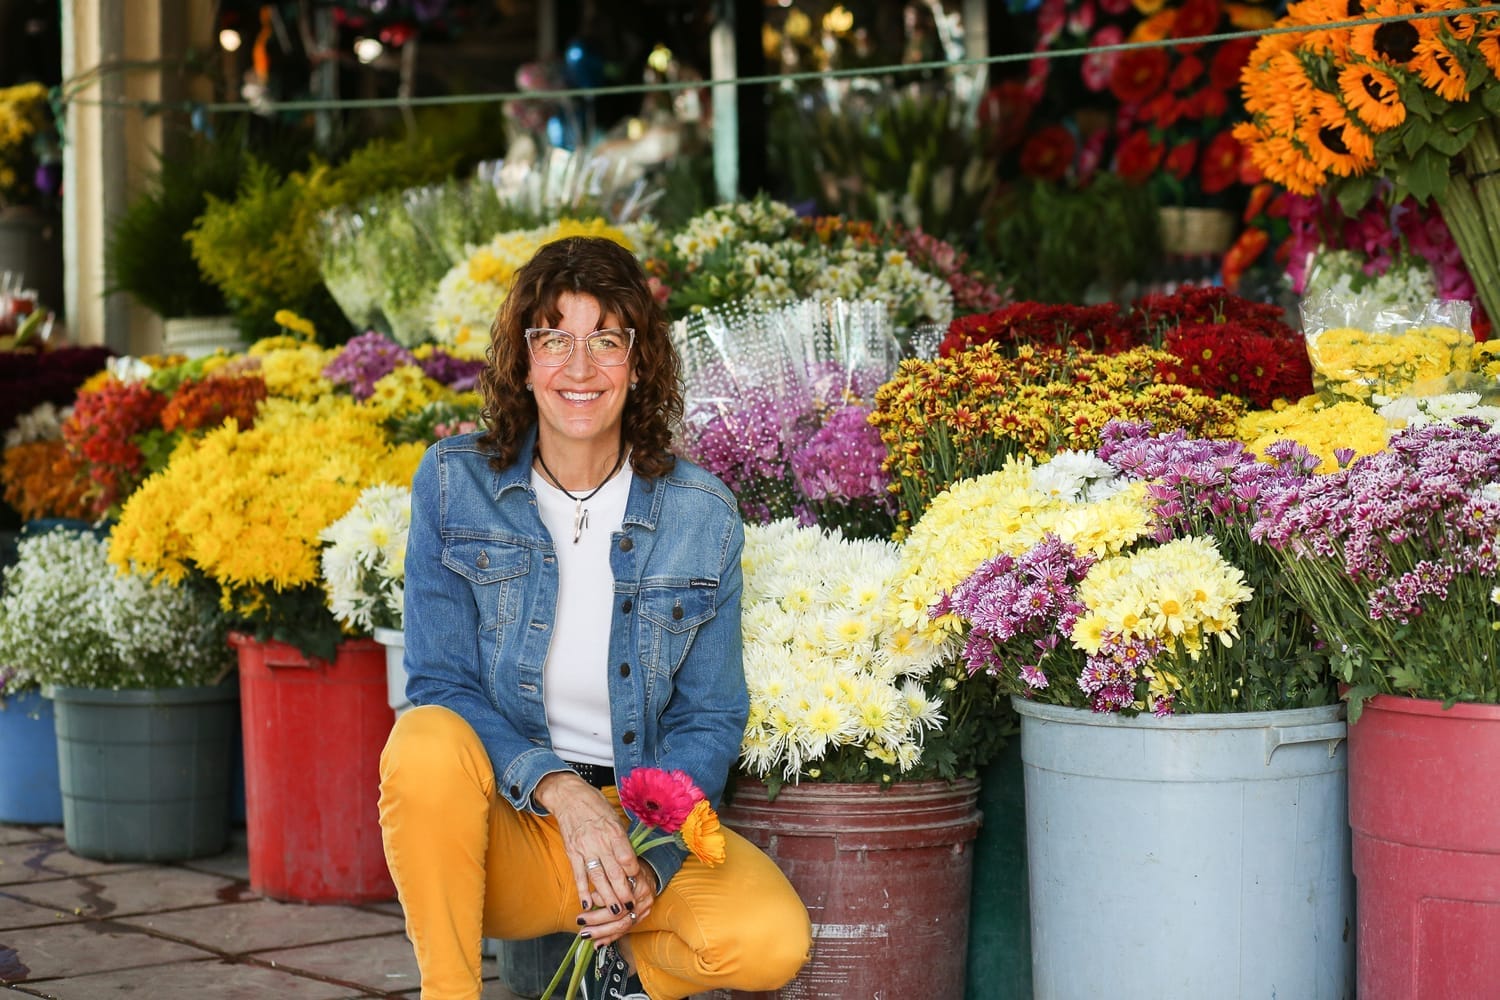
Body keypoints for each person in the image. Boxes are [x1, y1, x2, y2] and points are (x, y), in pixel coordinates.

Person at [378, 236, 812, 1000]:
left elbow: (710, 717)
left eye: (606, 341)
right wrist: (560, 790)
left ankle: (624, 968)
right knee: (423, 743)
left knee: (770, 942)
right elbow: (441, 684)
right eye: (555, 340)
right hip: (511, 828)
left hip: (636, 826)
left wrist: (650, 860)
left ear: (638, 363)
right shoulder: (455, 483)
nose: (580, 369)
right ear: (524, 360)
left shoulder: (700, 514)